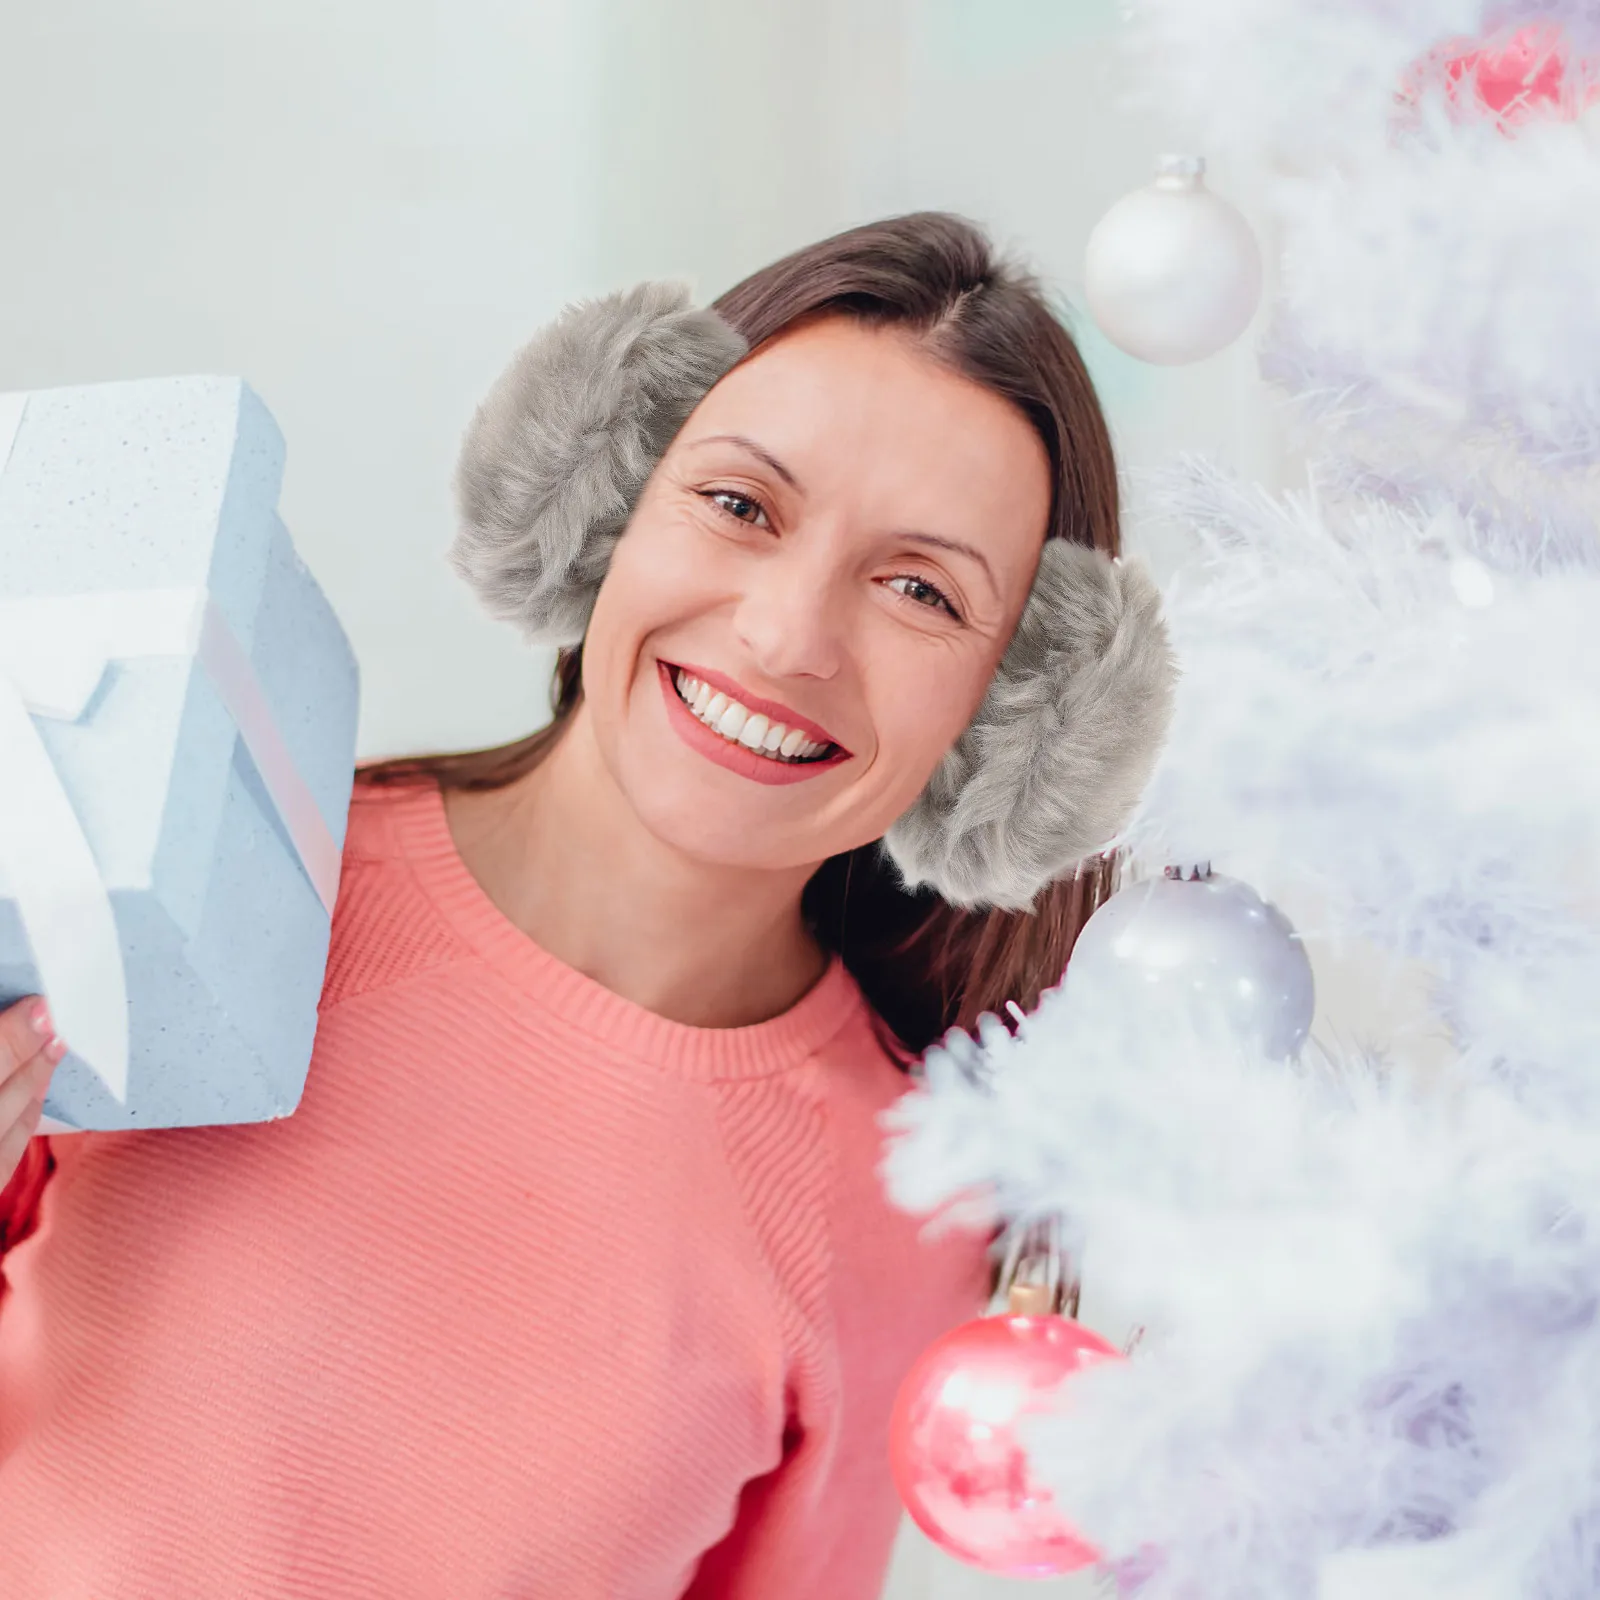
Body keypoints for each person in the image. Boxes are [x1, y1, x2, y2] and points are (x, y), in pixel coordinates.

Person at [0, 213, 1172, 1598]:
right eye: (741, 506)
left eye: (918, 588)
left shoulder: (903, 1202)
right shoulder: (217, 874)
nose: (786, 634)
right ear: (604, 498)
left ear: (1019, 717)